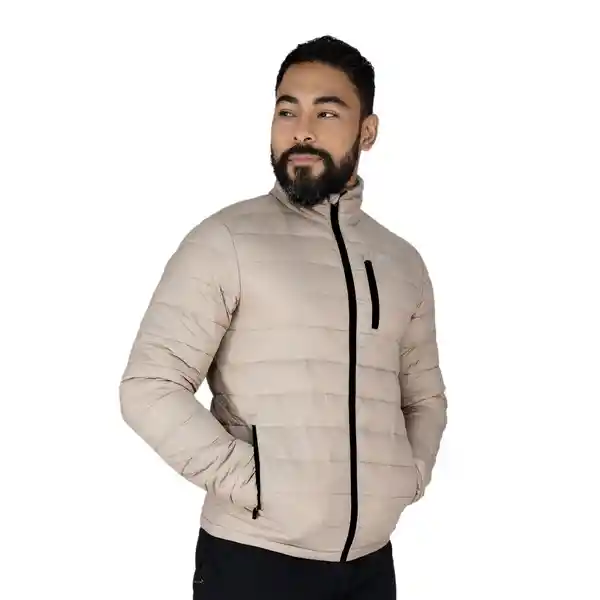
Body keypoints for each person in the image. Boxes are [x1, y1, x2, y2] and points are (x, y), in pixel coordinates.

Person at [119, 34, 448, 600]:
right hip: (254, 560)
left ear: (367, 131)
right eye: (287, 110)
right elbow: (148, 387)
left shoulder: (401, 262)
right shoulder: (226, 241)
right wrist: (259, 486)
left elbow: (424, 397)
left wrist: (406, 477)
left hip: (371, 564)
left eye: (328, 112)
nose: (302, 130)